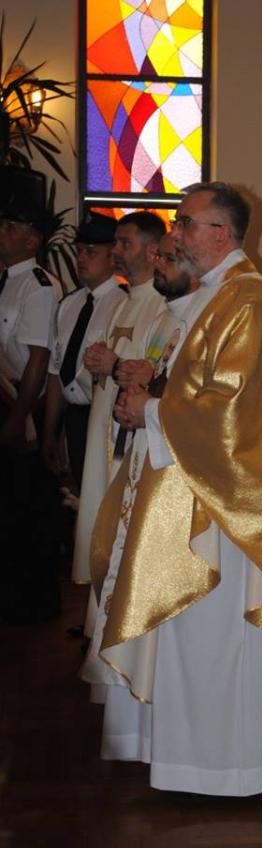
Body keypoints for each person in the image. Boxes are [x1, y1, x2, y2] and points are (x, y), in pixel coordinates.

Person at [81, 181, 262, 796]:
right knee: (185, 637)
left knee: (210, 638)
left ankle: (220, 771)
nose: (175, 234)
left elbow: (236, 412)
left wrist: (152, 409)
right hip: (191, 486)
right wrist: (153, 393)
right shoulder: (218, 294)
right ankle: (177, 756)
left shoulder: (248, 299)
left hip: (224, 509)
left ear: (221, 234)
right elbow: (198, 387)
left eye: (185, 223)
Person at [72, 211, 176, 587]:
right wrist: (95, 365)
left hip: (131, 437)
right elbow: (104, 371)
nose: (115, 250)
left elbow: (156, 375)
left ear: (151, 251)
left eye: (124, 243)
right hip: (103, 424)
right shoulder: (121, 301)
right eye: (116, 242)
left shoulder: (164, 306)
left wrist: (114, 365)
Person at [0, 200, 63, 623]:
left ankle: (33, 604)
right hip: (6, 396)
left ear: (32, 240)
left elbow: (38, 361)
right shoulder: (6, 280)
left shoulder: (39, 286)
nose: (1, 232)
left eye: (10, 226)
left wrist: (17, 418)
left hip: (24, 406)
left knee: (26, 509)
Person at [42, 212, 124, 492]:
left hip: (105, 417)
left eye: (91, 252)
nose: (81, 259)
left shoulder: (123, 303)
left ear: (113, 257)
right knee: (76, 492)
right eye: (78, 251)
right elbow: (56, 371)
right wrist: (51, 431)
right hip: (73, 417)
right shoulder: (69, 304)